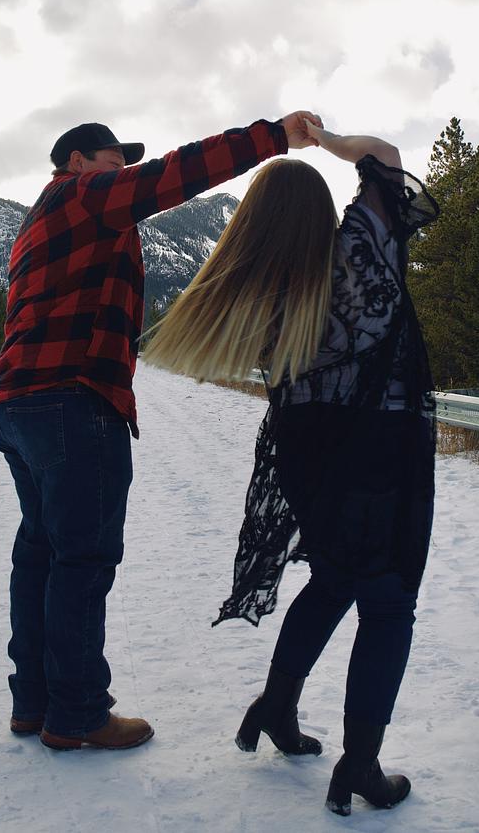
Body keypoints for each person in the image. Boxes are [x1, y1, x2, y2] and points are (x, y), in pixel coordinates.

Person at [0, 112, 322, 751]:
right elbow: (174, 175)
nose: (124, 172)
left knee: (41, 553)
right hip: (73, 399)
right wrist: (274, 137)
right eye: (115, 161)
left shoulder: (36, 224)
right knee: (82, 560)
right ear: (78, 162)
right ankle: (77, 713)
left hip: (18, 402)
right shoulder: (83, 196)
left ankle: (34, 701)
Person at [145, 123, 439, 814]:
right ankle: (360, 765)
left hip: (307, 456)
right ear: (320, 213)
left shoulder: (262, 292)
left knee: (334, 579)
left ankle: (275, 706)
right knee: (388, 604)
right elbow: (387, 157)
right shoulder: (360, 251)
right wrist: (325, 138)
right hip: (382, 450)